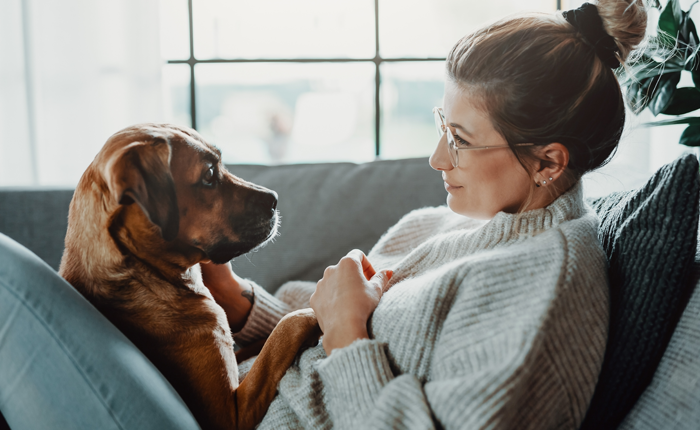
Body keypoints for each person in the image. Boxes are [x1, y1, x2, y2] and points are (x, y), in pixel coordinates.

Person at [201, 1, 647, 428]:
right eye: (442, 125)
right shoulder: (444, 223)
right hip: (233, 389)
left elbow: (340, 342)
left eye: (460, 140)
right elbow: (313, 336)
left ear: (548, 163)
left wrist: (348, 334)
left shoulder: (544, 292)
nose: (436, 159)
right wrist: (238, 301)